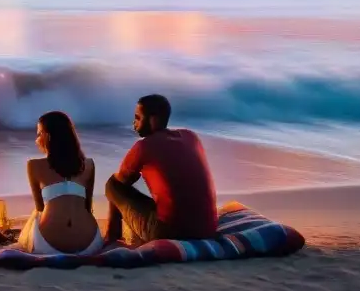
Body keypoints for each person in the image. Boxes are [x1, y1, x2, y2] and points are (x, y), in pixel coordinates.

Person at [105, 94, 217, 245]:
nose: (134, 123)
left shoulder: (143, 147)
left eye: (138, 118)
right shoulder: (191, 137)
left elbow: (122, 182)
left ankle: (113, 238)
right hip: (208, 229)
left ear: (153, 120)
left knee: (112, 185)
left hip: (171, 233)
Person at [17, 111, 103, 255]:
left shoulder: (34, 165)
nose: (36, 140)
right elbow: (88, 206)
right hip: (90, 244)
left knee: (36, 216)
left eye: (39, 134)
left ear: (48, 136)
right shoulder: (89, 165)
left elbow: (40, 207)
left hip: (49, 245)